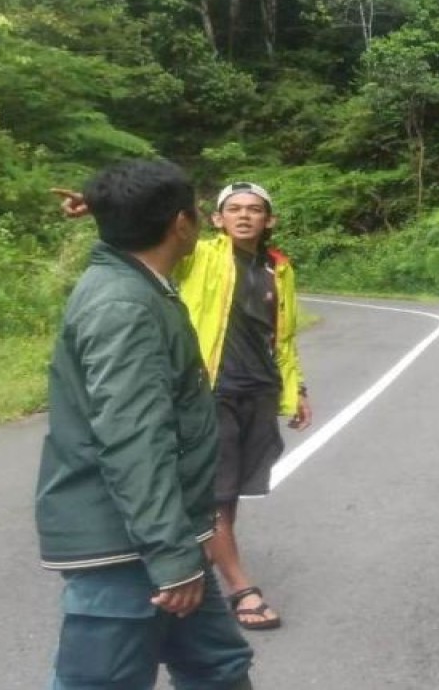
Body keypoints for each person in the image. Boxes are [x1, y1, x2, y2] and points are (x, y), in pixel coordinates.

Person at [54, 180, 313, 630]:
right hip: (212, 389)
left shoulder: (278, 268)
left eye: (255, 209)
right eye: (234, 209)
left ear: (269, 220)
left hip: (259, 391)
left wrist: (297, 390)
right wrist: (105, 206)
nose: (245, 216)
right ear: (215, 220)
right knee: (216, 491)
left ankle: (190, 561)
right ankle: (237, 585)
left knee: (230, 495)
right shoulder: (201, 255)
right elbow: (149, 235)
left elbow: (283, 338)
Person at [36, 159, 254, 689]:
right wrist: (171, 555)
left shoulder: (135, 280)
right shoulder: (123, 306)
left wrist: (108, 204)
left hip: (161, 533)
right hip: (129, 546)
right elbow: (134, 438)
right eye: (198, 212)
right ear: (181, 225)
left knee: (218, 668)